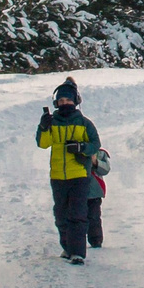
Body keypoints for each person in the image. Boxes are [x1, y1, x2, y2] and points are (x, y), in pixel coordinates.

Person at [36, 78, 101, 263]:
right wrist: (43, 127)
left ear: (76, 101)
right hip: (57, 176)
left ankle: (78, 253)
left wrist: (81, 148)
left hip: (80, 175)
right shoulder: (51, 122)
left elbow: (96, 144)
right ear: (56, 103)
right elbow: (42, 144)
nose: (65, 103)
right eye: (61, 101)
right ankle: (67, 247)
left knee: (78, 215)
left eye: (68, 100)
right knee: (61, 215)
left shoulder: (84, 123)